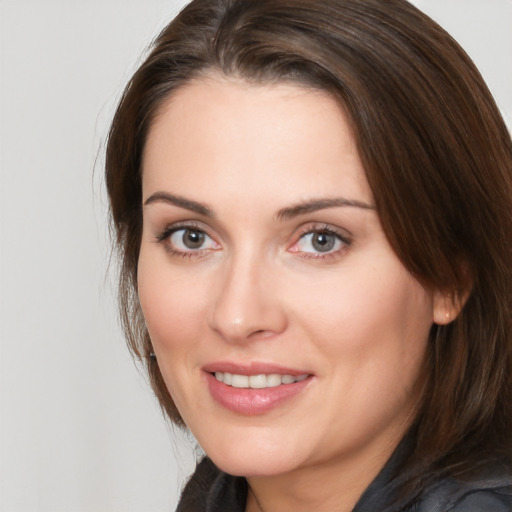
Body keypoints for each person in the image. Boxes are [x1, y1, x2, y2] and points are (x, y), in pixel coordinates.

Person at [105, 0, 512, 510]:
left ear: (451, 274)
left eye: (321, 239)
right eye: (191, 236)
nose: (237, 316)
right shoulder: (217, 495)